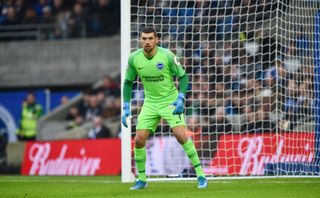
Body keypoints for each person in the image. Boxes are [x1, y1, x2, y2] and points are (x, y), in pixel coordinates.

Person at [122, 27, 207, 190]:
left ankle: (201, 175)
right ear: (140, 40)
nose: (147, 41)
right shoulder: (134, 58)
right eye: (144, 38)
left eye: (150, 38)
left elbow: (183, 77)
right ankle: (141, 180)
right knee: (139, 140)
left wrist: (181, 97)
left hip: (170, 101)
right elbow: (127, 82)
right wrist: (126, 105)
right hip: (150, 103)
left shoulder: (167, 56)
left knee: (181, 136)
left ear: (156, 40)